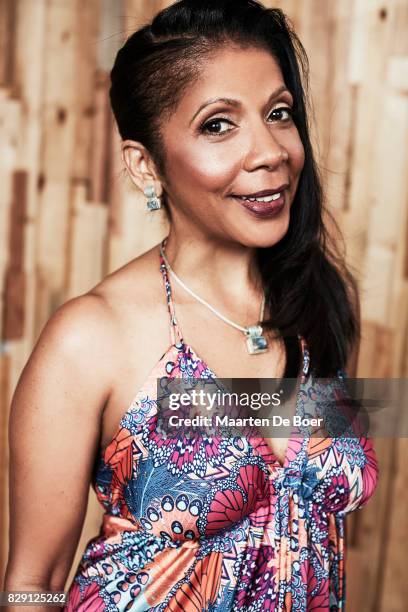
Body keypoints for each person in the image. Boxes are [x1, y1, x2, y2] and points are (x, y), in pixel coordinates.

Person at [5, 0, 379, 610]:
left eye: (278, 114)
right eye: (217, 125)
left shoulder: (317, 301)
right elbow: (31, 584)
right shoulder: (91, 337)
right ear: (146, 165)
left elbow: (310, 540)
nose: (270, 152)